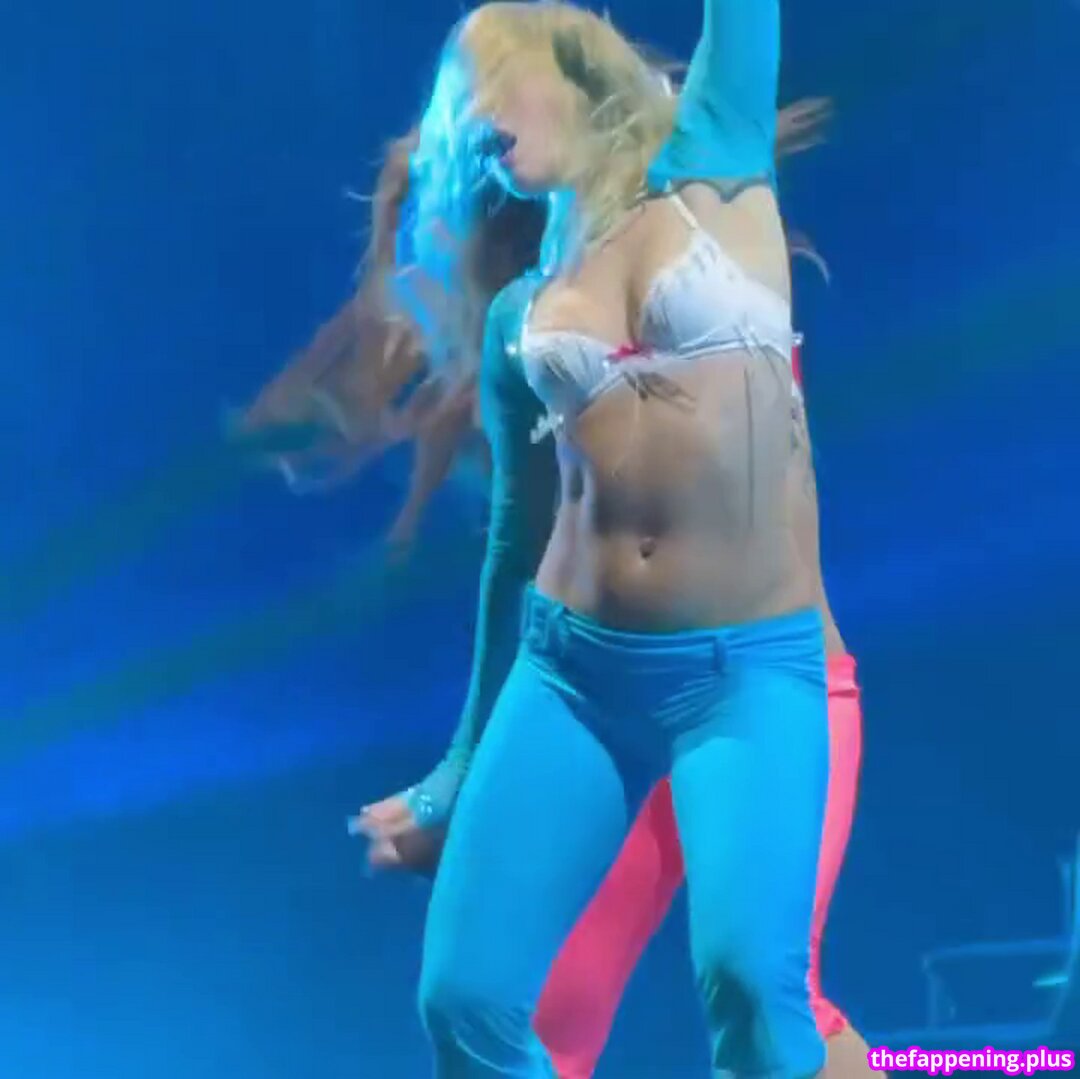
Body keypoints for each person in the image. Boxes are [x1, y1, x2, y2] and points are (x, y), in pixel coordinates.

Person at [357, 1, 836, 1074]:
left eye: (486, 86)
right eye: (457, 108)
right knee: (464, 997)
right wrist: (454, 775)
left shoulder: (717, 155)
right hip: (572, 676)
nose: (471, 122)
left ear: (565, 64)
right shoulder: (523, 310)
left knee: (752, 986)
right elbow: (514, 545)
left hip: (744, 673)